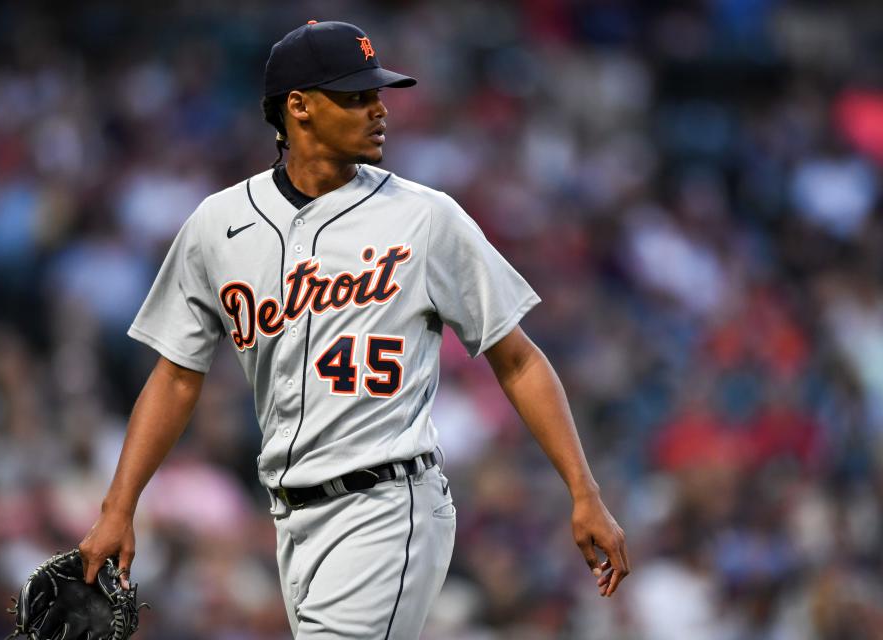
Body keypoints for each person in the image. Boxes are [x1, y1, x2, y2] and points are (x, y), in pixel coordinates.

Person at [79, 20, 629, 638]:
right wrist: (118, 508)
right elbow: (177, 376)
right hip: (292, 522)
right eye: (356, 97)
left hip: (390, 505)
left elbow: (519, 360)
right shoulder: (219, 225)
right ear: (299, 108)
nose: (379, 110)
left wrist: (584, 490)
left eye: (378, 95)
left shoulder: (425, 217)